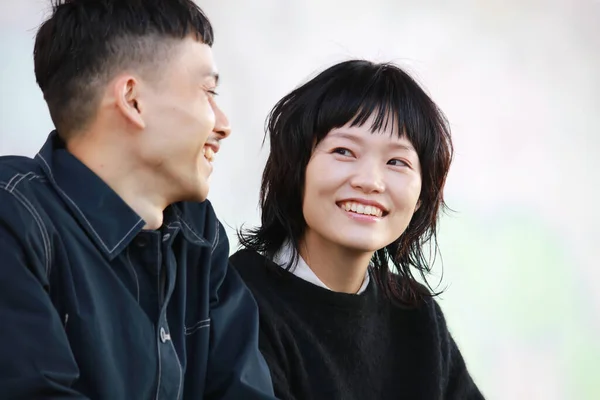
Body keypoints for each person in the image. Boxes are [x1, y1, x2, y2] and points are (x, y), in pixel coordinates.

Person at [0, 0, 275, 399]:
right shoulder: (15, 218)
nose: (224, 124)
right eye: (207, 91)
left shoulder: (198, 234)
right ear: (132, 100)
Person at [230, 60, 485, 399]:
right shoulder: (238, 297)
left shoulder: (417, 315)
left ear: (423, 195)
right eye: (344, 151)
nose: (369, 181)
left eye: (397, 161)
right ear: (296, 168)